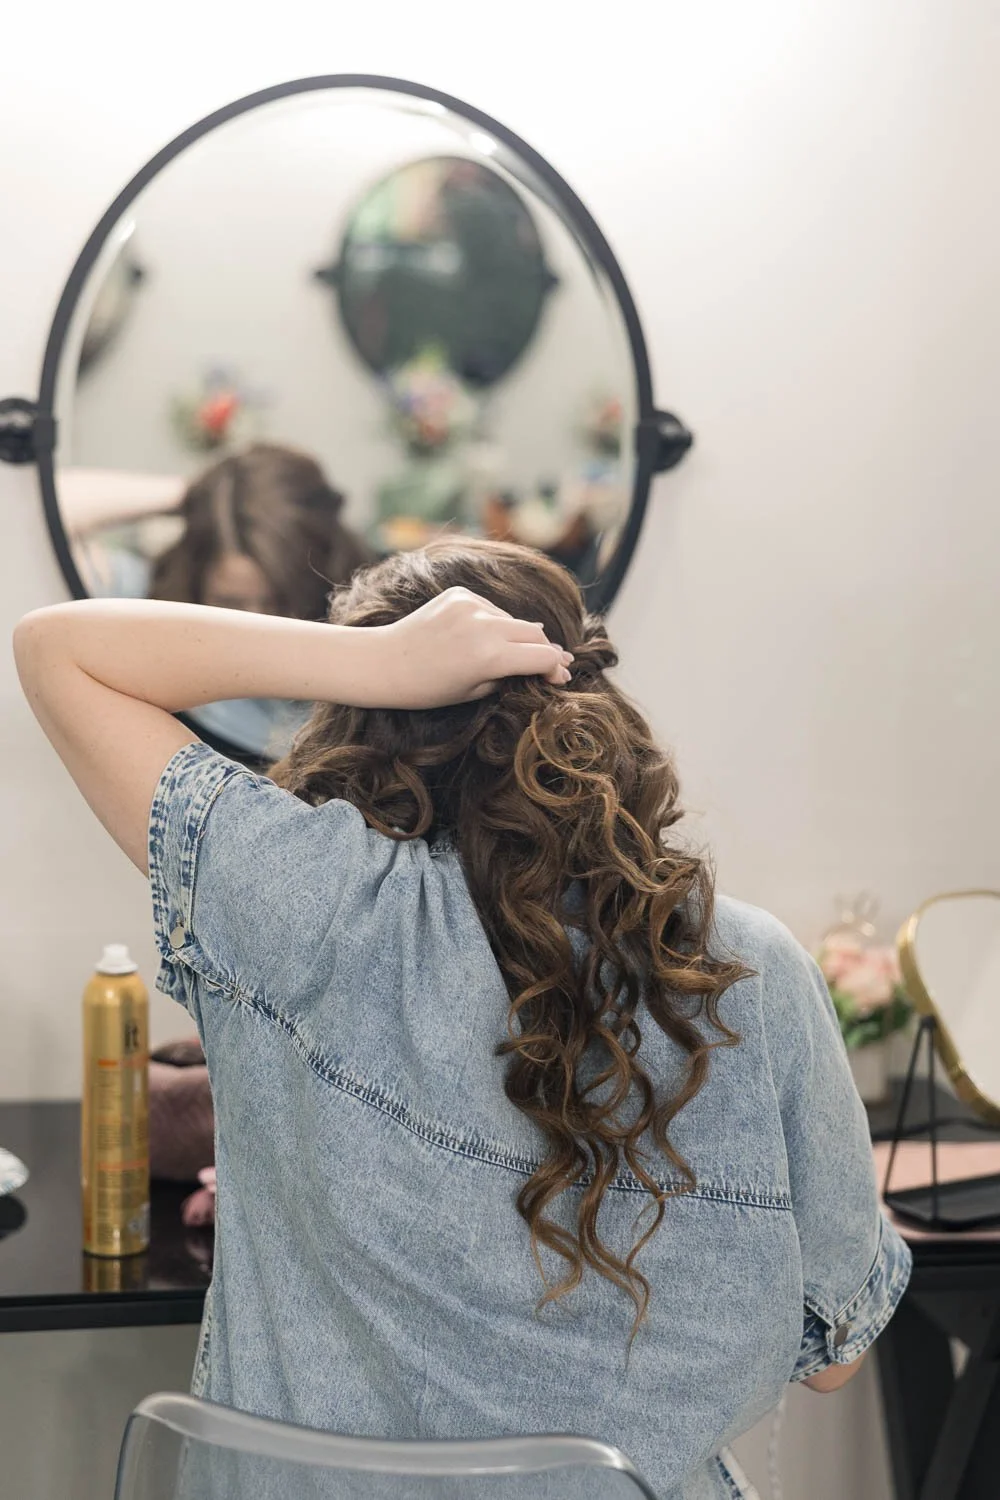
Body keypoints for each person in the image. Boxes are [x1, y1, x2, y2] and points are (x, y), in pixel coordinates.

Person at [14, 539, 910, 1500]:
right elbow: (835, 1360)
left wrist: (373, 659)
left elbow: (57, 650)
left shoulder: (307, 906)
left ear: (364, 722)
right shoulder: (748, 968)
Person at [59, 443, 374, 755]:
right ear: (195, 580)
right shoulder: (144, 603)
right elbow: (47, 514)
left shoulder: (364, 637)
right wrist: (200, 496)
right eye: (231, 603)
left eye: (278, 601)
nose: (257, 625)